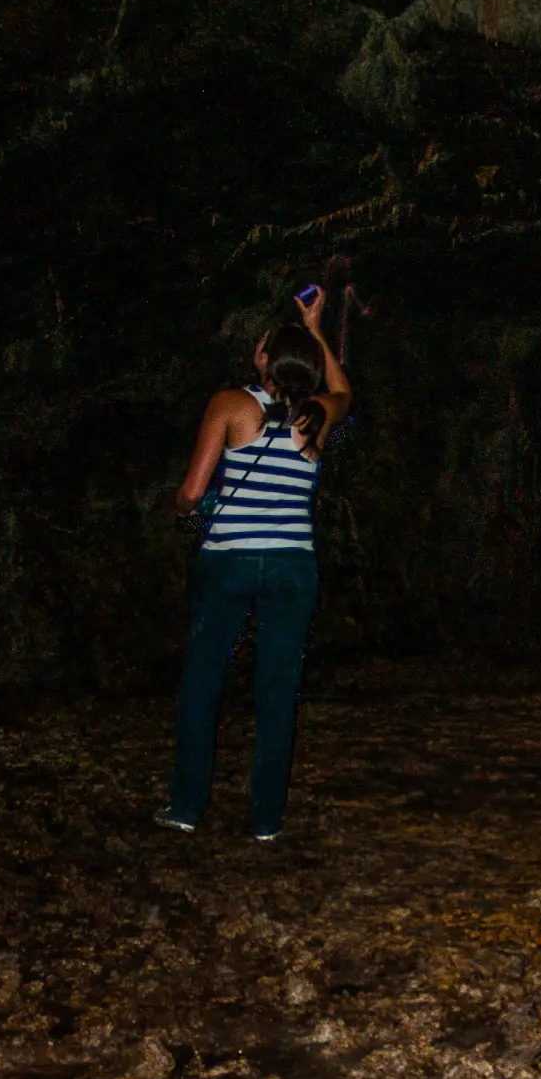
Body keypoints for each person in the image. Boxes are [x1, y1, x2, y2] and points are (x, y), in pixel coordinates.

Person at [155, 288, 352, 839]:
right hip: (293, 564)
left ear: (263, 359)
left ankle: (187, 809)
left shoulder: (229, 403)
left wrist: (182, 508)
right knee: (277, 688)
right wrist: (316, 327)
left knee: (203, 681)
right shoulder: (316, 416)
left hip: (230, 561)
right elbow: (344, 390)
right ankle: (266, 820)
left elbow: (192, 493)